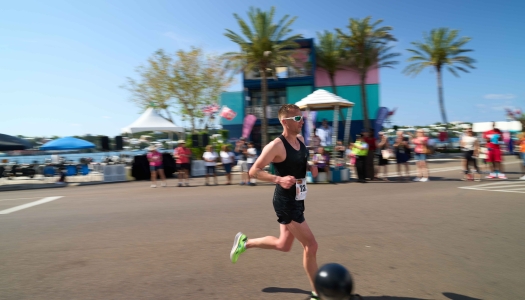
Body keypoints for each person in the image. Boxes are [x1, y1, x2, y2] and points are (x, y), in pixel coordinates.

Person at [229, 104, 320, 300]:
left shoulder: (301, 140)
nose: (301, 121)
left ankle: (246, 243)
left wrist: (310, 166)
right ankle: (316, 294)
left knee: (283, 245)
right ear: (284, 122)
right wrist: (278, 179)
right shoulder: (276, 146)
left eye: (301, 117)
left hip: (298, 198)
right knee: (311, 246)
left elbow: (301, 160)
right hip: (285, 202)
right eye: (297, 119)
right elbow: (254, 171)